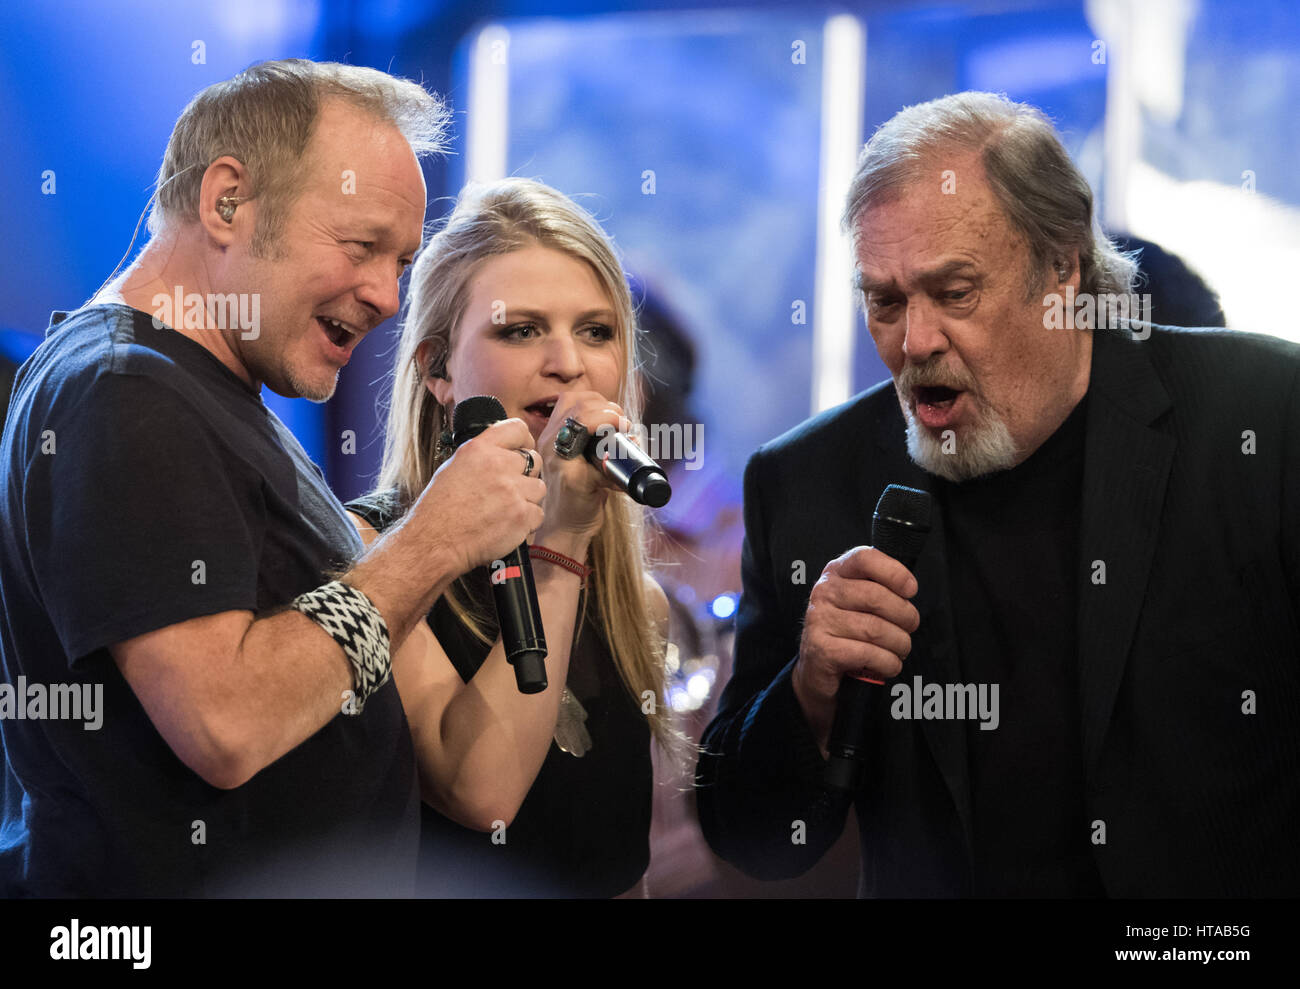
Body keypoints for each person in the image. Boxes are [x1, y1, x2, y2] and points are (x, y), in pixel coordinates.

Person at [696, 91, 1300, 897]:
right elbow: (753, 838)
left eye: (955, 293)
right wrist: (809, 691)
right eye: (884, 301)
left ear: (1062, 269)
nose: (914, 343)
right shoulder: (810, 480)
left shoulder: (1258, 419)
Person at [0, 60, 547, 897]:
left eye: (402, 261)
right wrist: (434, 538)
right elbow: (226, 722)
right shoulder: (125, 389)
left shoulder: (193, 388)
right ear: (227, 201)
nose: (390, 296)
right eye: (363, 246)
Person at [345, 178, 678, 897]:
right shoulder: (364, 549)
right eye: (521, 329)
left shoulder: (633, 601)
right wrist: (558, 537)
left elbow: (620, 869)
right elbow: (481, 791)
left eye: (596, 330)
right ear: (437, 369)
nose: (569, 362)